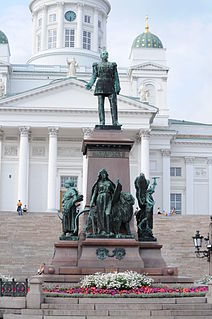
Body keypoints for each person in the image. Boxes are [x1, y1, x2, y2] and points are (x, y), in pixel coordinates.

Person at [85, 50, 121, 126]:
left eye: (106, 54)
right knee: (100, 104)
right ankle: (102, 121)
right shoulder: (97, 65)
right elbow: (94, 75)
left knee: (114, 104)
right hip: (100, 84)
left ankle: (115, 121)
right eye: (103, 54)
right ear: (101, 56)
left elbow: (116, 77)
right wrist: (90, 84)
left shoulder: (112, 65)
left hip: (110, 84)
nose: (105, 55)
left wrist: (117, 86)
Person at [90, 169, 116, 235]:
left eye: (105, 173)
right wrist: (92, 201)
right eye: (102, 174)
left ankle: (109, 230)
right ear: (100, 175)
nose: (103, 175)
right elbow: (94, 193)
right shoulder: (98, 183)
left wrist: (118, 186)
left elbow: (114, 191)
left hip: (108, 198)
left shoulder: (109, 183)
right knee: (100, 214)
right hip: (100, 199)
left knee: (108, 213)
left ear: (106, 175)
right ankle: (102, 230)